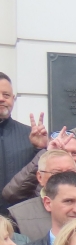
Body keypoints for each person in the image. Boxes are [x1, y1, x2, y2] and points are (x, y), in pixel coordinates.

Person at [10, 149, 76, 241]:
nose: (65, 178)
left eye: (70, 172)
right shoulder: (19, 215)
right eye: (56, 173)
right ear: (40, 177)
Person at [0, 73, 41, 212]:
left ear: (13, 98)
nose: (1, 99)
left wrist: (40, 149)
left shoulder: (30, 135)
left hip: (20, 217)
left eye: (6, 95)